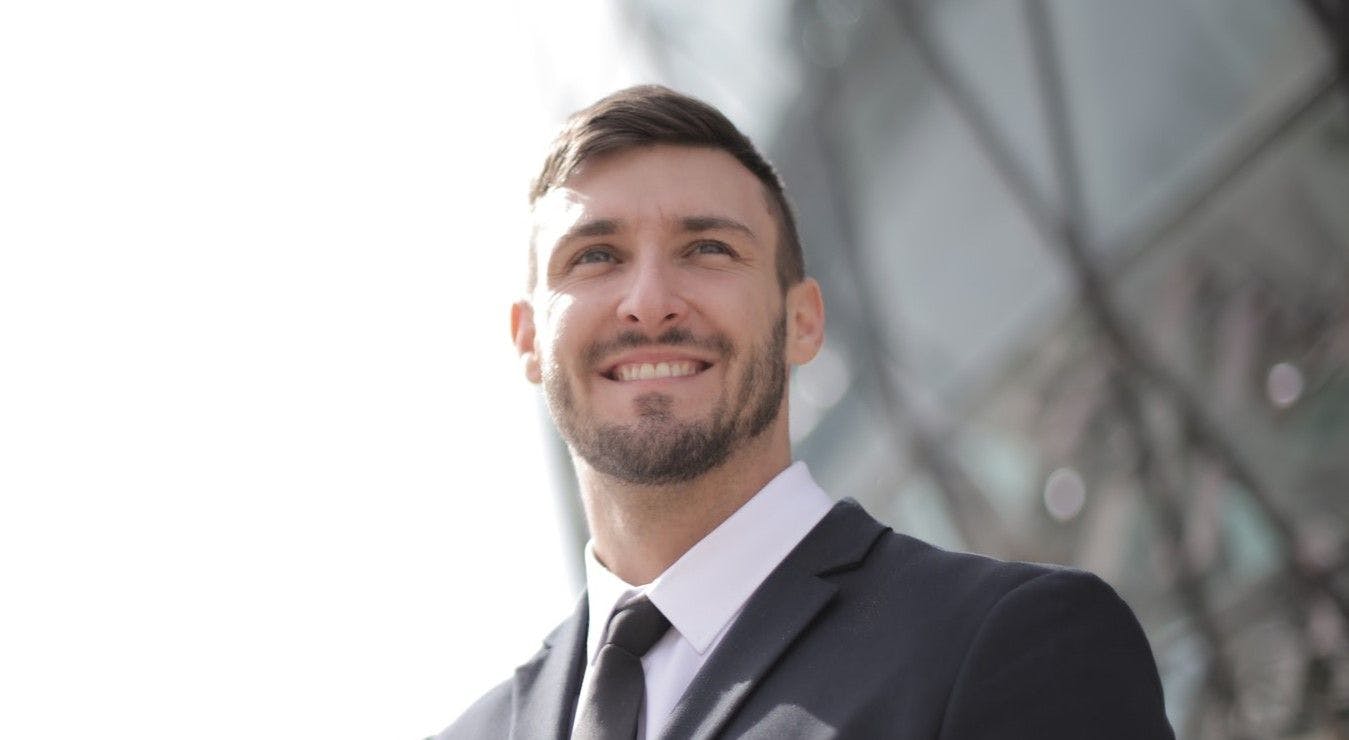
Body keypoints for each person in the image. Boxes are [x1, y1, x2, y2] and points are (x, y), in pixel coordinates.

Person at [434, 85, 1174, 739]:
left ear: (803, 321)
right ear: (529, 338)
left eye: (707, 248)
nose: (650, 301)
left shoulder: (1010, 642)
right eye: (594, 257)